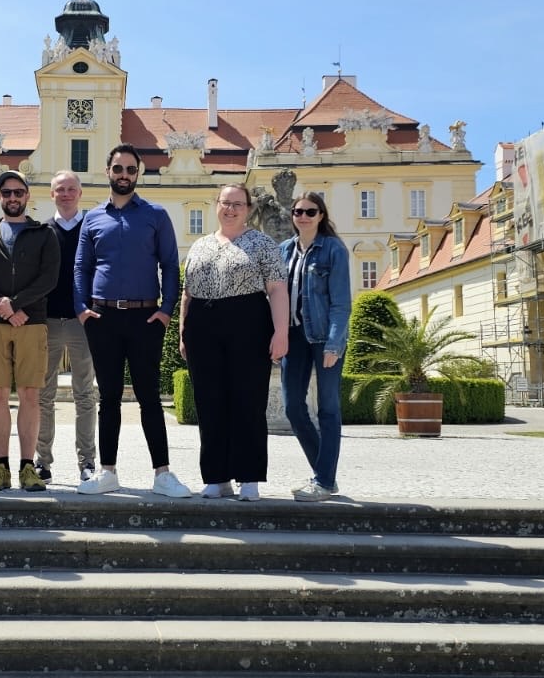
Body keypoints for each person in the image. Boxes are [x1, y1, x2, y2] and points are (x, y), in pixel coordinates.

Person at [73, 144, 192, 499]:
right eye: (118, 168)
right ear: (108, 171)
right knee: (108, 397)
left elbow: (170, 264)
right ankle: (107, 472)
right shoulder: (92, 218)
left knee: (149, 397)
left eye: (130, 169)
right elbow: (81, 267)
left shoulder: (156, 215)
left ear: (137, 174)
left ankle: (163, 475)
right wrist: (82, 309)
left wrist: (167, 309)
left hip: (146, 317)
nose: (124, 174)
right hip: (103, 317)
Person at [179, 184, 288, 501]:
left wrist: (281, 332)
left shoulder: (262, 243)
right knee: (209, 402)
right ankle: (216, 477)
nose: (231, 209)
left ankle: (249, 477)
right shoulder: (199, 245)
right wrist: (184, 332)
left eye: (238, 204)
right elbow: (187, 293)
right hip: (202, 325)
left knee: (248, 400)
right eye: (226, 203)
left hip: (248, 320)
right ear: (216, 205)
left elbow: (277, 289)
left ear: (249, 209)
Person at [0, 171, 60, 492]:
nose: (12, 197)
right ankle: (1, 467)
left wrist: (17, 305)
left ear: (27, 196)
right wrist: (3, 306)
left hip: (30, 322)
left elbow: (48, 278)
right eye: (6, 192)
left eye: (18, 192)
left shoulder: (44, 234)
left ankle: (27, 467)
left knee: (30, 395)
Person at [279, 191, 352, 502]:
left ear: (321, 215)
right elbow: (274, 297)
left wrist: (334, 344)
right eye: (298, 211)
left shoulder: (333, 249)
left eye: (310, 212)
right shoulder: (284, 250)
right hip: (293, 336)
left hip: (324, 338)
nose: (303, 217)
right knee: (293, 408)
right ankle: (326, 476)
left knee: (328, 409)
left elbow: (341, 303)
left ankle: (323, 480)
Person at [36, 170, 97, 483]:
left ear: (80, 193)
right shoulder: (42, 231)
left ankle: (87, 462)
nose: (66, 194)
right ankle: (42, 462)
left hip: (81, 321)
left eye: (71, 189)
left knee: (84, 394)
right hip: (47, 321)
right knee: (43, 395)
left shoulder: (92, 229)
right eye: (60, 189)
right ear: (52, 194)